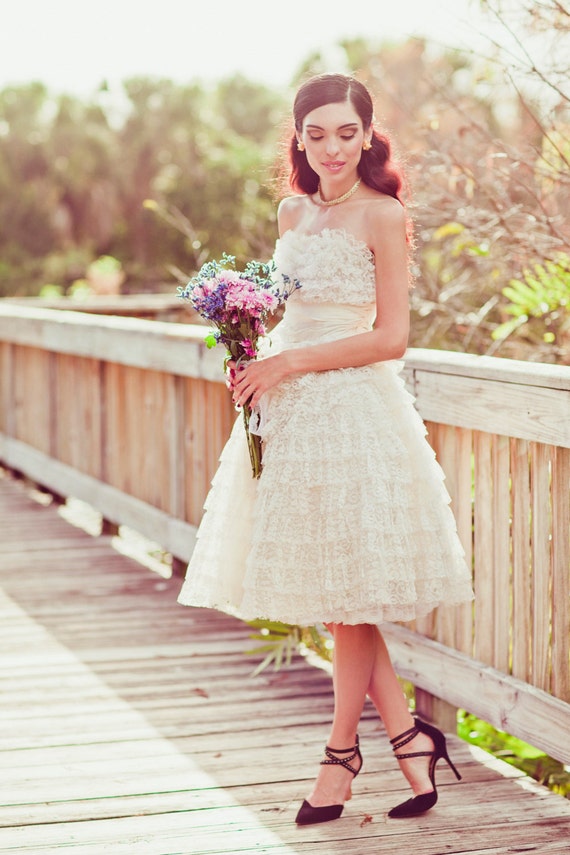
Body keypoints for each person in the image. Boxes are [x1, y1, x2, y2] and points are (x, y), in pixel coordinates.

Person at [177, 72, 474, 825]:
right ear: (299, 138)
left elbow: (392, 337)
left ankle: (340, 755)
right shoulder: (291, 211)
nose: (332, 148)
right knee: (343, 600)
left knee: (346, 599)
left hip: (353, 414)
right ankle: (410, 741)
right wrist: (253, 350)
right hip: (292, 415)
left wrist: (288, 362)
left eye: (347, 133)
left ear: (368, 135)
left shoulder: (383, 214)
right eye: (317, 135)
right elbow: (291, 310)